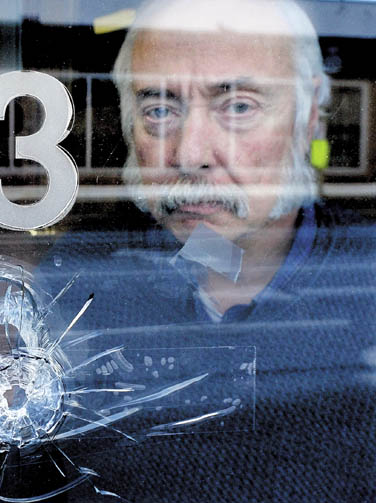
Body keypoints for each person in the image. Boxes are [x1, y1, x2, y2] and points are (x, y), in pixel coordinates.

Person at [36, 0, 376, 500]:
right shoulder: (79, 278)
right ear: (132, 127)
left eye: (239, 106)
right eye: (159, 109)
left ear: (307, 121)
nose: (190, 155)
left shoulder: (363, 274)